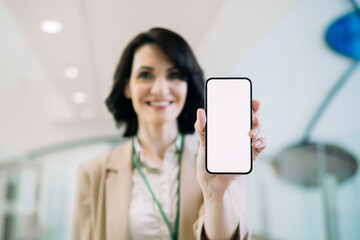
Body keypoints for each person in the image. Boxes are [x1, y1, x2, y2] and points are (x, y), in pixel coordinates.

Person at [72, 27, 266, 240]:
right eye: (145, 75)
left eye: (174, 75)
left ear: (187, 85)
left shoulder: (218, 160)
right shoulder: (93, 172)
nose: (160, 89)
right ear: (127, 86)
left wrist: (216, 194)